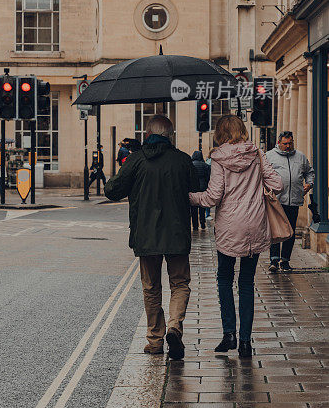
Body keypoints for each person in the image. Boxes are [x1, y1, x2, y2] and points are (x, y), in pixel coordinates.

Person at [105, 115, 199, 360]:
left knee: (151, 287)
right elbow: (198, 188)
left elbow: (112, 191)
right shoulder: (182, 160)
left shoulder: (136, 160)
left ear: (147, 135)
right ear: (170, 135)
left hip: (146, 235)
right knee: (180, 284)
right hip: (177, 234)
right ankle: (175, 327)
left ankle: (155, 340)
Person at [189, 115, 282, 359]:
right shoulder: (258, 154)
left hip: (230, 227)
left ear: (220, 133)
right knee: (247, 283)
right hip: (256, 224)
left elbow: (212, 197)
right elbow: (278, 184)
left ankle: (229, 333)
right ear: (241, 130)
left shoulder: (219, 158)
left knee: (224, 279)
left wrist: (191, 197)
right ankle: (245, 343)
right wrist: (257, 187)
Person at [265, 131, 315, 272]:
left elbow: (309, 172)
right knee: (275, 231)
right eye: (285, 143)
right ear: (279, 143)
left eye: (290, 143)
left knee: (290, 232)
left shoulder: (300, 156)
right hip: (276, 201)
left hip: (293, 200)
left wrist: (309, 184)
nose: (288, 146)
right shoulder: (269, 156)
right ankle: (274, 260)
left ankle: (285, 261)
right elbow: (262, 174)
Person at [190, 150, 211, 230]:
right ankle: (202, 223)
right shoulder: (205, 165)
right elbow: (208, 177)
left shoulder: (191, 165)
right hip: (203, 187)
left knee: (194, 207)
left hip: (193, 188)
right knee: (202, 206)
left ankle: (195, 225)